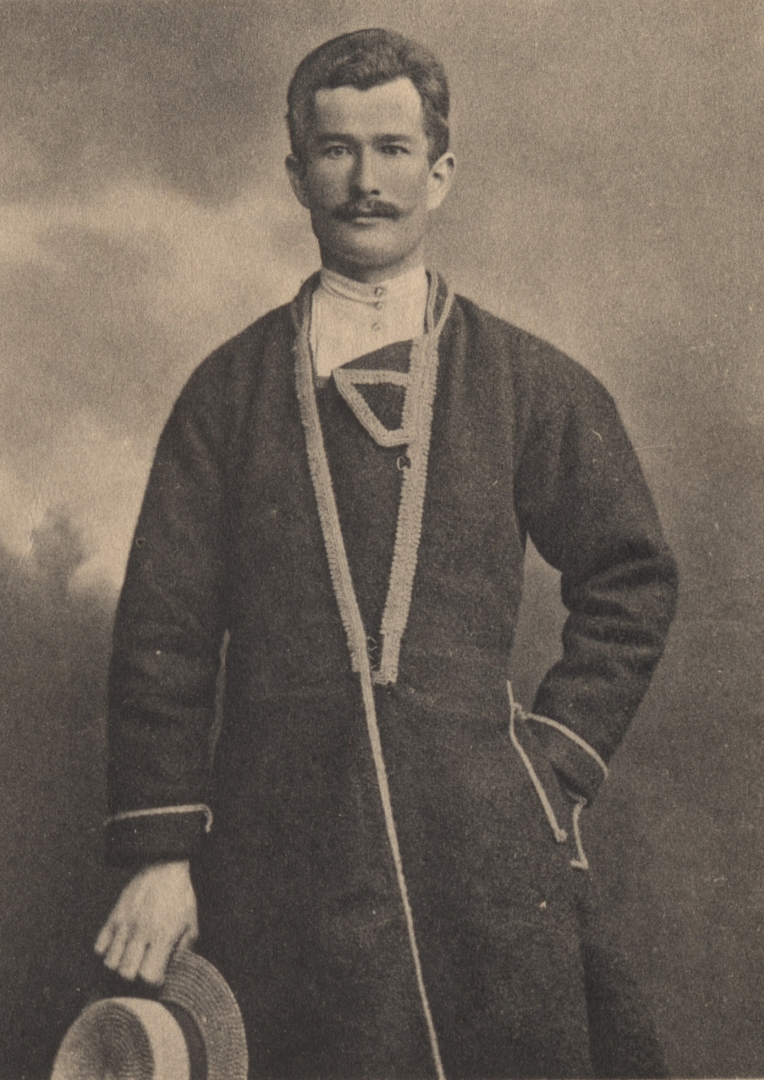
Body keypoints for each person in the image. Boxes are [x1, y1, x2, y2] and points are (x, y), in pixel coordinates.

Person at [95, 28, 678, 1079]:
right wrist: (160, 853)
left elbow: (630, 577)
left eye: (394, 149)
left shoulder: (528, 382)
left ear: (439, 174)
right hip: (279, 855)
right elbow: (162, 636)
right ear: (295, 175)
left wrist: (549, 765)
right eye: (335, 150)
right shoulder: (226, 394)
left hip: (482, 855)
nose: (365, 180)